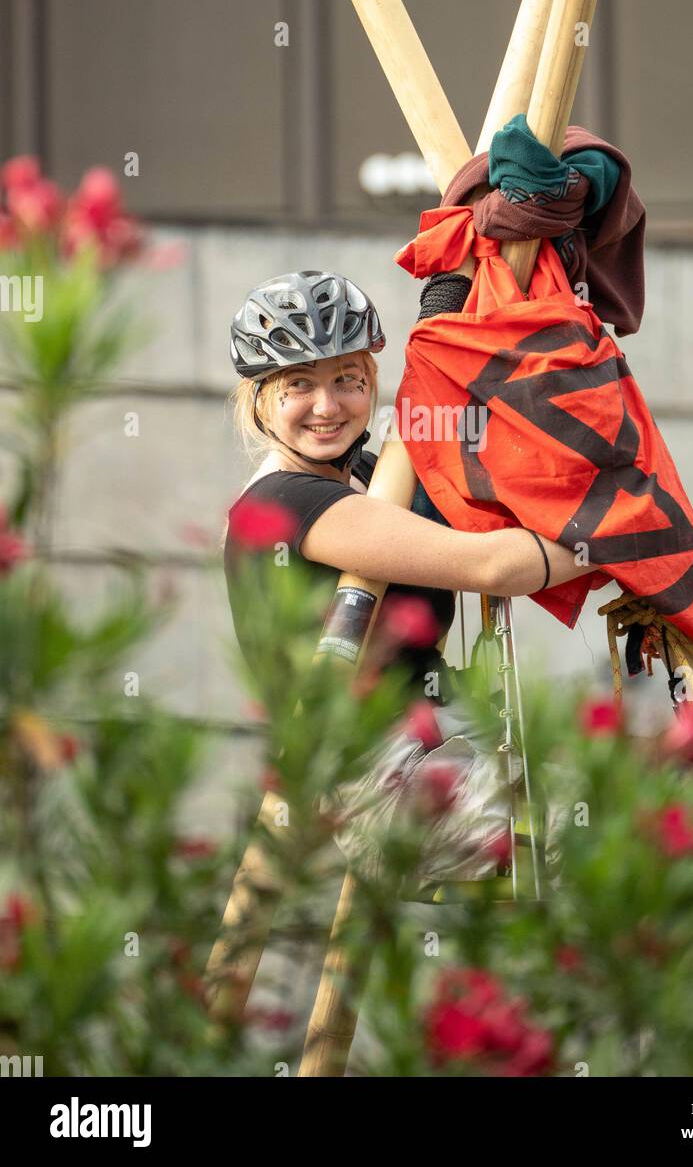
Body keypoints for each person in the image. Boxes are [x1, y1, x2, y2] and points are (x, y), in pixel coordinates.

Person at [222, 269, 595, 885]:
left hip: (450, 738)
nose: (327, 405)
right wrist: (613, 541)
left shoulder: (374, 475)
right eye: (299, 385)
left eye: (347, 380)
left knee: (636, 798)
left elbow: (493, 495)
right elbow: (492, 564)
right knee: (611, 840)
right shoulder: (282, 503)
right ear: (259, 399)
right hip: (386, 785)